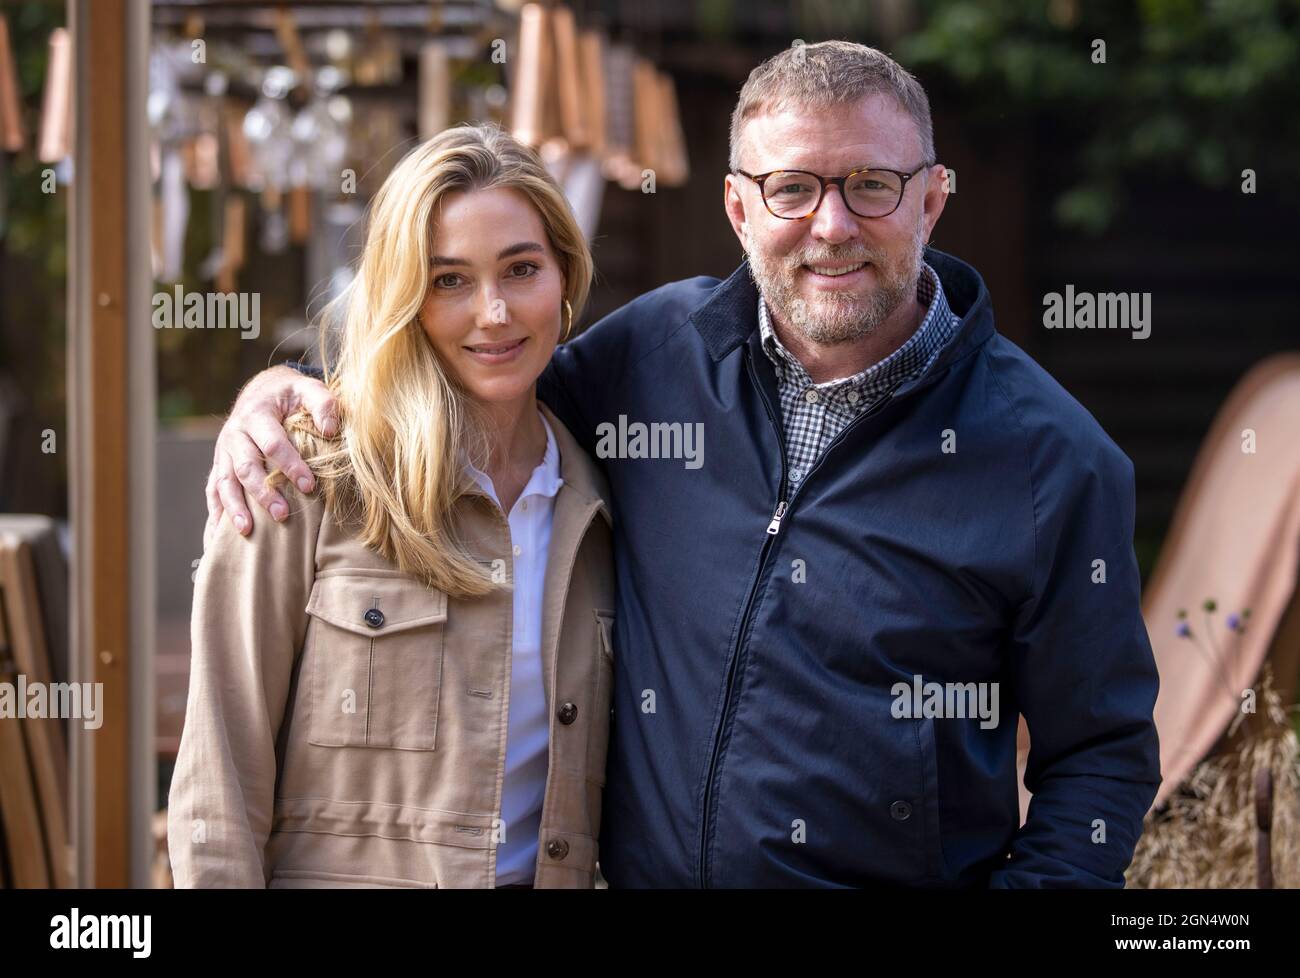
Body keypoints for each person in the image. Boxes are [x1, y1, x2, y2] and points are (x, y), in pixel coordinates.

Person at [206, 41, 1161, 888]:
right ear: (740, 207)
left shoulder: (1049, 458)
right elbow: (471, 360)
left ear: (932, 199)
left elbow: (1102, 758)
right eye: (792, 188)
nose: (831, 226)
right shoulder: (655, 355)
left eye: (871, 184)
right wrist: (287, 390)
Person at [169, 124, 616, 888]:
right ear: (403, 294)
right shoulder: (305, 475)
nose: (494, 312)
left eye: (521, 269)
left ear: (565, 276)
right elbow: (219, 779)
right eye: (448, 280)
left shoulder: (604, 507)